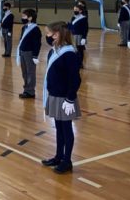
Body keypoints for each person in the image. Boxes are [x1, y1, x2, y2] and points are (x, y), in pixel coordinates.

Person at [41, 21, 81, 174]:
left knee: (66, 129)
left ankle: (67, 160)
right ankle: (58, 156)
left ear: (57, 34)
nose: (47, 36)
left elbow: (75, 79)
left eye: (48, 34)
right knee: (58, 128)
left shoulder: (70, 53)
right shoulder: (53, 51)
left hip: (65, 98)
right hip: (54, 95)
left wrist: (70, 99)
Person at [17, 9, 42, 99]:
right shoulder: (24, 27)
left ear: (30, 18)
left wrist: (35, 55)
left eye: (24, 16)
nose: (22, 18)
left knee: (30, 72)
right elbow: (21, 40)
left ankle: (30, 91)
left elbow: (37, 44)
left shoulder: (35, 29)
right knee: (24, 72)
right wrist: (19, 52)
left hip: (30, 53)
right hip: (23, 52)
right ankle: (26, 89)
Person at [69, 4, 88, 69]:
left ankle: (80, 63)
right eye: (74, 10)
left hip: (79, 37)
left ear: (80, 11)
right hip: (72, 36)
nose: (74, 11)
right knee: (73, 50)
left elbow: (85, 29)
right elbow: (70, 27)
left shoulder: (84, 18)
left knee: (80, 51)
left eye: (76, 10)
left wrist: (84, 38)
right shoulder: (73, 17)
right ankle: (74, 62)